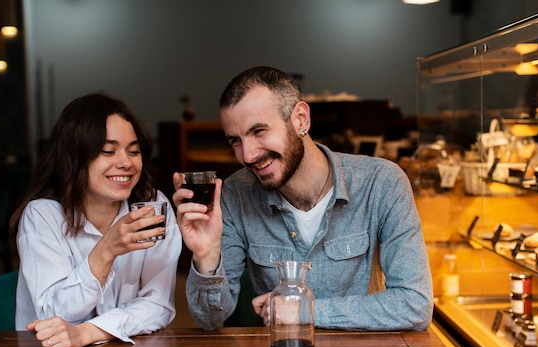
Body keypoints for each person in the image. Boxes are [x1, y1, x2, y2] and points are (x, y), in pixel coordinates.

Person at [173, 66, 433, 331]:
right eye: (235, 141)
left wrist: (304, 310)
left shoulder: (382, 182)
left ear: (300, 119)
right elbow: (210, 319)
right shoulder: (234, 194)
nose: (248, 155)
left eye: (259, 131)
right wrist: (205, 255)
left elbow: (415, 304)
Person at [10, 92, 181, 347]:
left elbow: (159, 306)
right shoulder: (43, 215)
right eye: (107, 151)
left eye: (133, 151)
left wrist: (86, 333)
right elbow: (54, 317)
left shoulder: (151, 207)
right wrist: (106, 249)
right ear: (75, 157)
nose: (125, 163)